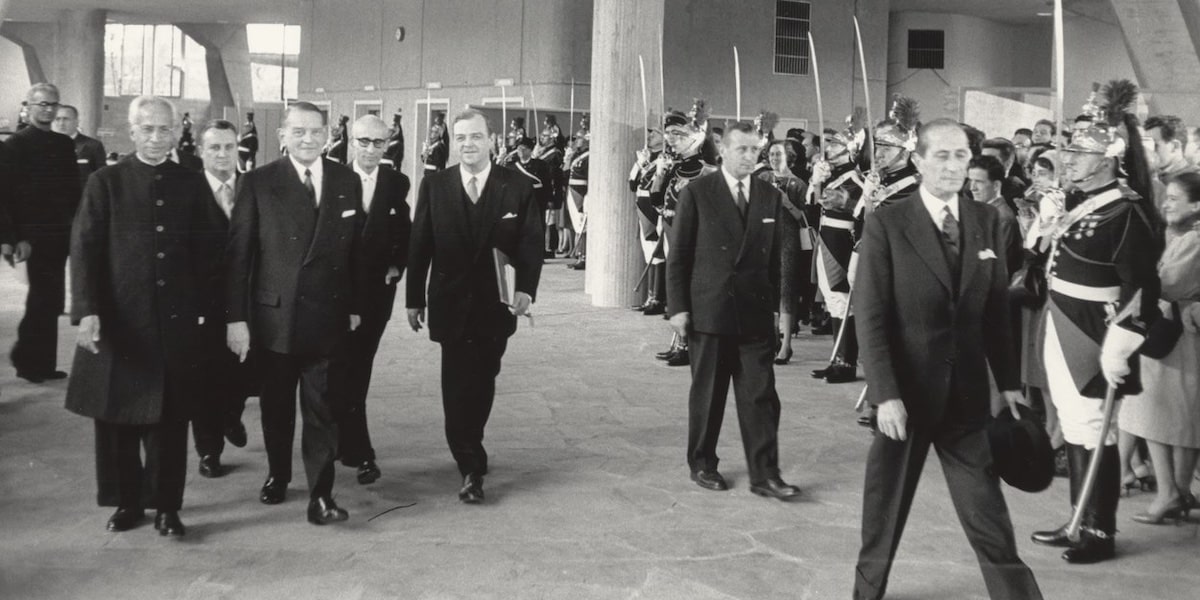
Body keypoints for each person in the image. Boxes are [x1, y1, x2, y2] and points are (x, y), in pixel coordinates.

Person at [852, 118, 1043, 600]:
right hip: (905, 398)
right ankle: (866, 592)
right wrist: (885, 394)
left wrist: (1010, 383)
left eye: (961, 155)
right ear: (918, 162)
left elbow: (995, 310)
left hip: (966, 400)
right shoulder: (888, 224)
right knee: (885, 510)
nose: (954, 165)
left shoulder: (986, 222)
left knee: (986, 509)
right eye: (942, 155)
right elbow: (870, 317)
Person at [66, 95, 227, 537]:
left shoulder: (191, 183)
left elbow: (213, 252)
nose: (156, 139)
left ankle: (166, 507)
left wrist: (208, 312)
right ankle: (128, 503)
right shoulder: (106, 181)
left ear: (178, 133)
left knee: (170, 421)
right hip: (119, 320)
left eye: (165, 130)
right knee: (117, 417)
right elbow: (84, 250)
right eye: (147, 130)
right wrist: (86, 311)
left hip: (175, 325)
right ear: (131, 132)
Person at [1029, 90, 1161, 564]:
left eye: (1079, 153)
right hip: (1062, 318)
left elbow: (1142, 287)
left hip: (1094, 329)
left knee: (1094, 429)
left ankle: (1100, 530)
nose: (1066, 161)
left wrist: (1121, 344)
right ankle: (1078, 519)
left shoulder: (1126, 211)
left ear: (1107, 160)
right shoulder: (1079, 201)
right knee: (1074, 424)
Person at [225, 101, 367, 525]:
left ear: (328, 136)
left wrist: (356, 305)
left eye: (316, 132)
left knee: (323, 405)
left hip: (327, 316)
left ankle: (320, 495)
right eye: (299, 132)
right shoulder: (258, 182)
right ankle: (278, 473)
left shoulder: (346, 180)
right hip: (275, 318)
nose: (308, 140)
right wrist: (237, 318)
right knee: (277, 405)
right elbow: (238, 257)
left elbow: (355, 250)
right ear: (282, 136)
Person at [406, 109, 543, 504]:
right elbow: (420, 246)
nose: (468, 144)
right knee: (455, 383)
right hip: (449, 303)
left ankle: (471, 442)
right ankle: (469, 461)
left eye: (476, 137)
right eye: (461, 137)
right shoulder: (434, 185)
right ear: (453, 141)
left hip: (495, 304)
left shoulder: (515, 186)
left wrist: (527, 291)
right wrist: (414, 299)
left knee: (484, 379)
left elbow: (531, 244)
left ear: (491, 139)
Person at [667, 121, 801, 502]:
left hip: (754, 312)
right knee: (708, 394)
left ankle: (765, 473)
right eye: (741, 149)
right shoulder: (698, 192)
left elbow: (773, 261)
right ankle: (702, 463)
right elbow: (679, 255)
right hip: (709, 310)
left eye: (754, 150)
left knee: (761, 395)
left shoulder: (768, 195)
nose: (749, 156)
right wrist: (677, 307)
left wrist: (775, 310)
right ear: (722, 151)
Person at [333, 115, 412, 485]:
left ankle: (348, 442)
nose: (369, 149)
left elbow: (405, 231)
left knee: (358, 366)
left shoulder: (397, 182)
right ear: (351, 142)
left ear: (387, 146)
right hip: (336, 294)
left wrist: (397, 264)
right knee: (342, 367)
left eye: (378, 143)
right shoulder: (332, 180)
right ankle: (358, 450)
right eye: (363, 141)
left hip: (376, 295)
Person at [1119, 171, 1200, 524]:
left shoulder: (1192, 241)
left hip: (1175, 336)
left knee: (1160, 414)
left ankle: (1169, 493)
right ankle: (1178, 492)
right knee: (1179, 419)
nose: (1165, 203)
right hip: (1181, 332)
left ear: (1196, 205)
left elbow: (1165, 283)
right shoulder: (1181, 235)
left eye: (1173, 199)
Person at [188, 119, 254, 480]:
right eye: (214, 147)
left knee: (244, 369)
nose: (223, 154)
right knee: (205, 378)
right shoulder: (188, 191)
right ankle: (209, 450)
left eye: (230, 147)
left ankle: (231, 414)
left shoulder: (253, 187)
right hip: (204, 304)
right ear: (201, 150)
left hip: (246, 299)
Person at [7, 83, 80, 383]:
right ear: (28, 106)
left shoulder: (63, 145)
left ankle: (41, 362)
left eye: (52, 104)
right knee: (42, 298)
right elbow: (7, 195)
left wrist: (78, 228)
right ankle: (27, 360)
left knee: (51, 299)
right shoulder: (14, 145)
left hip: (60, 233)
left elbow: (73, 190)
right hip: (33, 237)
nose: (48, 109)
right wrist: (14, 238)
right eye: (41, 104)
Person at [650, 107, 718, 367]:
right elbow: (657, 200)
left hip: (694, 237)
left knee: (688, 290)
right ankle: (678, 342)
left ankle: (687, 344)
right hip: (671, 230)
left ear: (696, 137)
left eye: (678, 134)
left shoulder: (708, 171)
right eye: (669, 134)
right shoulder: (675, 167)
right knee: (676, 287)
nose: (671, 140)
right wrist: (659, 172)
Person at [808, 128, 863, 384]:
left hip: (841, 242)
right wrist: (816, 180)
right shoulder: (834, 175)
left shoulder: (855, 179)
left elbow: (854, 208)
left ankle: (847, 362)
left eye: (834, 143)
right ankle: (836, 358)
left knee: (843, 302)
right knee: (832, 302)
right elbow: (812, 203)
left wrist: (822, 185)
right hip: (826, 237)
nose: (827, 148)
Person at [757, 139, 807, 365]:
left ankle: (786, 344)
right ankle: (770, 339)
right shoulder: (763, 179)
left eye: (779, 154)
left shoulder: (797, 184)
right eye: (771, 154)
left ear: (788, 157)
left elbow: (802, 217)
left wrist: (786, 201)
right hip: (766, 238)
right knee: (767, 289)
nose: (774, 159)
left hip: (788, 239)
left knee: (786, 290)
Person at [630, 125, 667, 315]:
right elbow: (632, 184)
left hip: (654, 211)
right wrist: (640, 163)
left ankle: (657, 299)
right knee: (649, 255)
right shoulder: (649, 158)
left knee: (657, 255)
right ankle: (650, 298)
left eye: (655, 133)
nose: (650, 136)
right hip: (643, 211)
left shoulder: (665, 158)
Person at [967, 155, 1022, 272]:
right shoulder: (980, 210)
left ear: (996, 185)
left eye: (979, 182)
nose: (972, 188)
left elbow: (992, 266)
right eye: (970, 181)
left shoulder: (1002, 218)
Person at [51, 104, 106, 188]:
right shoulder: (47, 146)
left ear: (76, 121)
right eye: (57, 119)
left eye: (66, 119)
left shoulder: (93, 146)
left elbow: (101, 178)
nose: (61, 123)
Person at [564, 126, 590, 270]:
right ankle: (579, 254)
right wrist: (568, 158)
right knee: (577, 225)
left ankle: (583, 256)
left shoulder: (589, 156)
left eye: (578, 138)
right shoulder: (576, 155)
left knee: (582, 225)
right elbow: (565, 174)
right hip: (572, 191)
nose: (575, 140)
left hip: (583, 192)